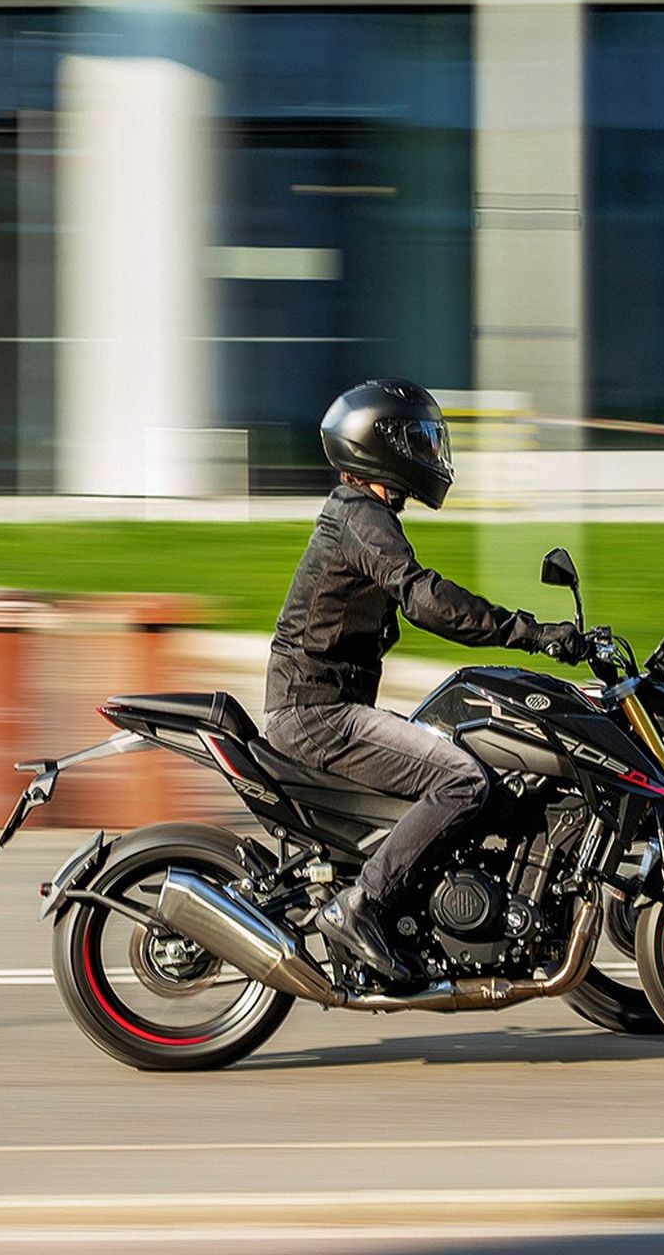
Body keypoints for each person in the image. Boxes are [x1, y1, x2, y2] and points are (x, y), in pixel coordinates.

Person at [264, 379, 587, 982]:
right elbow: (425, 599)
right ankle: (361, 905)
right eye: (419, 440)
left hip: (326, 708)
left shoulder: (360, 514)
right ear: (378, 446)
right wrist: (532, 632)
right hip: (318, 715)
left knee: (473, 761)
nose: (430, 453)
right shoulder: (361, 518)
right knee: (462, 779)